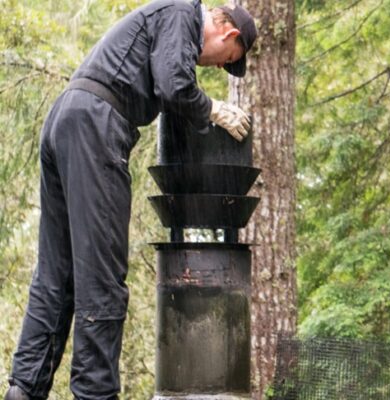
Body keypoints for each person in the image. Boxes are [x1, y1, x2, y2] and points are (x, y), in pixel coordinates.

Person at [4, 0, 257, 399]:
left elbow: (167, 81)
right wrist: (214, 110)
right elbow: (174, 86)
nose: (219, 67)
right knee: (102, 278)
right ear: (229, 35)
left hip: (67, 119)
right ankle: (96, 395)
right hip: (95, 126)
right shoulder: (183, 12)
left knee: (58, 274)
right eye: (228, 59)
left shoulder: (169, 23)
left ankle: (23, 391)